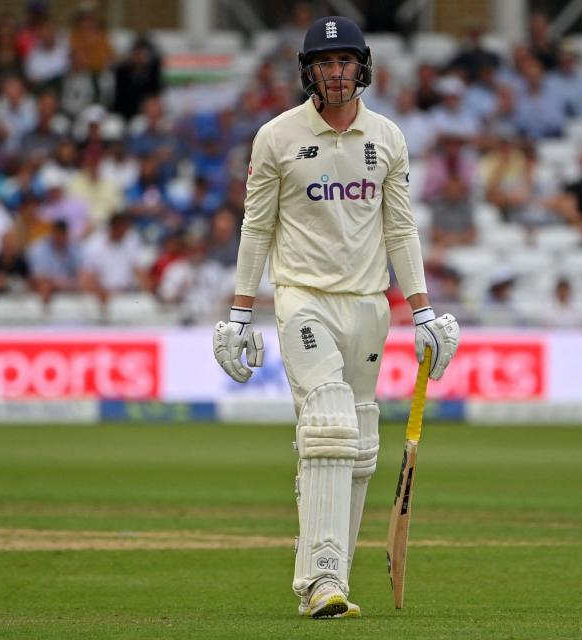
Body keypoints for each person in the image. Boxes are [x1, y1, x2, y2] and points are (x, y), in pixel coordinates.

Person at [212, 16, 460, 620]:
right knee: (328, 423)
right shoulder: (276, 137)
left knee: (360, 443)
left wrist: (422, 309)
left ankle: (332, 581)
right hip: (303, 297)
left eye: (346, 61)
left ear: (363, 66)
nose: (337, 72)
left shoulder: (388, 138)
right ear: (309, 71)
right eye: (326, 63)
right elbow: (257, 226)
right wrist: (240, 312)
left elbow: (399, 227)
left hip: (369, 303)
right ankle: (320, 576)